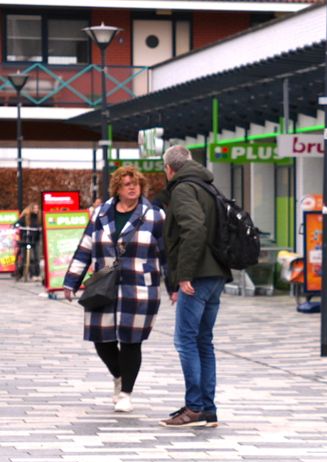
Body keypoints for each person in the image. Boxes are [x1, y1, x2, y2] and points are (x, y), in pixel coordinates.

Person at [62, 166, 167, 413]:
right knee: (100, 338)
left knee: (131, 341)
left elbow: (166, 254)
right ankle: (119, 375)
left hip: (140, 286)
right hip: (103, 284)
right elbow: (85, 248)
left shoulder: (154, 216)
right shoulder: (101, 213)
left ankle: (126, 393)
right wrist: (71, 281)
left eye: (136, 183)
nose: (132, 187)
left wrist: (175, 285)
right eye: (127, 184)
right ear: (117, 188)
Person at [159, 144, 231, 428]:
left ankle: (194, 408)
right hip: (215, 275)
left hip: (198, 277)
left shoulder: (183, 189)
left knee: (185, 340)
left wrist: (184, 275)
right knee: (203, 341)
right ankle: (207, 408)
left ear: (169, 168)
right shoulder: (210, 186)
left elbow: (194, 229)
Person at [15, 203, 41, 281]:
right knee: (27, 258)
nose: (36, 210)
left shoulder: (39, 217)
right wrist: (16, 225)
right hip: (25, 239)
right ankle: (28, 274)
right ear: (31, 209)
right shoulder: (25, 217)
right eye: (34, 208)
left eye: (37, 208)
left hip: (35, 240)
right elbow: (18, 223)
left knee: (36, 258)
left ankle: (37, 274)